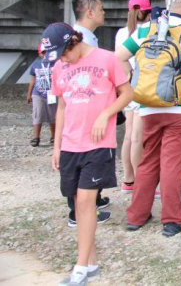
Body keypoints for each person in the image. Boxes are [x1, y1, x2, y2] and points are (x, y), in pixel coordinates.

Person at [116, 0, 181, 237]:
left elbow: (118, 57)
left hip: (149, 107)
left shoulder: (145, 30)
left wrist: (132, 79)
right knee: (173, 165)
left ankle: (136, 216)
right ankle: (172, 219)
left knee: (148, 161)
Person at [46, 23, 132, 286]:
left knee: (86, 203)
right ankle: (91, 264)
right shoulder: (59, 67)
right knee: (79, 206)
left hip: (98, 143)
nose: (62, 58)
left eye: (64, 52)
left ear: (74, 40)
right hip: (70, 144)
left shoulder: (107, 59)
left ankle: (80, 268)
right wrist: (57, 145)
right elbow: (61, 106)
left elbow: (127, 93)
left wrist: (106, 114)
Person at [68, 0, 109, 227]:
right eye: (101, 8)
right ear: (90, 12)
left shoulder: (88, 37)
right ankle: (79, 212)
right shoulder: (77, 40)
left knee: (93, 157)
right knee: (82, 158)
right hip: (82, 109)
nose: (104, 12)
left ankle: (93, 199)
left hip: (90, 107)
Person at [114, 0, 151, 195]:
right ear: (148, 12)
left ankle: (128, 180)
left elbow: (118, 58)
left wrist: (127, 75)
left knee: (128, 136)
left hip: (125, 87)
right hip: (142, 86)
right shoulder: (146, 32)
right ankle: (141, 183)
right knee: (138, 138)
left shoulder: (121, 33)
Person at [27, 43, 56, 147]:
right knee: (37, 115)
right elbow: (32, 79)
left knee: (53, 116)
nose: (45, 54)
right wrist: (29, 94)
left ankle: (54, 137)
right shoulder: (36, 65)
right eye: (43, 52)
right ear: (39, 53)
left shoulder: (55, 64)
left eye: (47, 52)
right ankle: (36, 137)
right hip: (38, 93)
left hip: (52, 93)